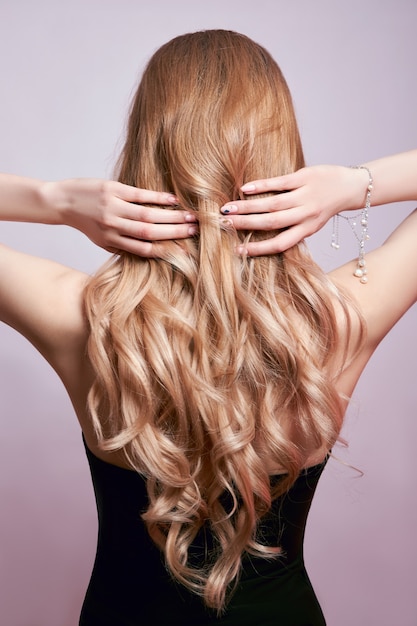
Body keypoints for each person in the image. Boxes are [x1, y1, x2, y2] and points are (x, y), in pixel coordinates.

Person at [0, 29, 416, 626]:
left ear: (145, 148)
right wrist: (356, 184)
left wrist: (54, 200)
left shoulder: (80, 316)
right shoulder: (343, 315)